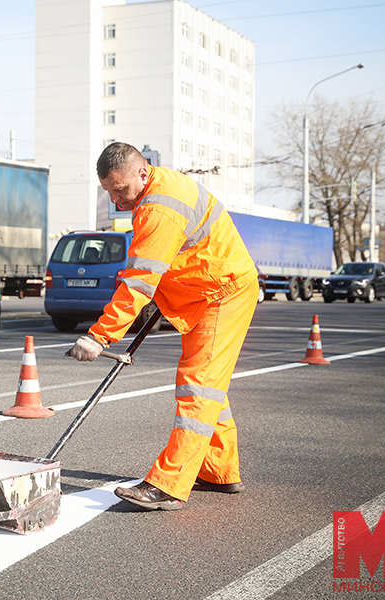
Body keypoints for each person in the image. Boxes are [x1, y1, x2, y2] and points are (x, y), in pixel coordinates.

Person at [66, 142, 259, 511]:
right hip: (207, 288)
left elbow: (139, 283)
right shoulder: (159, 189)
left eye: (121, 190)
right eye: (110, 192)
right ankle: (219, 471)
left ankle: (168, 485)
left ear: (142, 172)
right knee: (208, 386)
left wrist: (98, 336)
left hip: (221, 292)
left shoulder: (158, 209)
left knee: (198, 386)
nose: (118, 200)